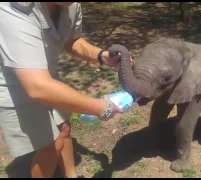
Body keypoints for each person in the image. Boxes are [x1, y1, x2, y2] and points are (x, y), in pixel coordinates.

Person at [0, 2, 128, 178]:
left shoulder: (70, 5)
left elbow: (71, 40)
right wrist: (101, 108)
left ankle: (71, 176)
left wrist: (101, 55)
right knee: (51, 147)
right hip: (16, 84)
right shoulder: (13, 8)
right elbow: (37, 87)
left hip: (46, 76)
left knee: (64, 129)